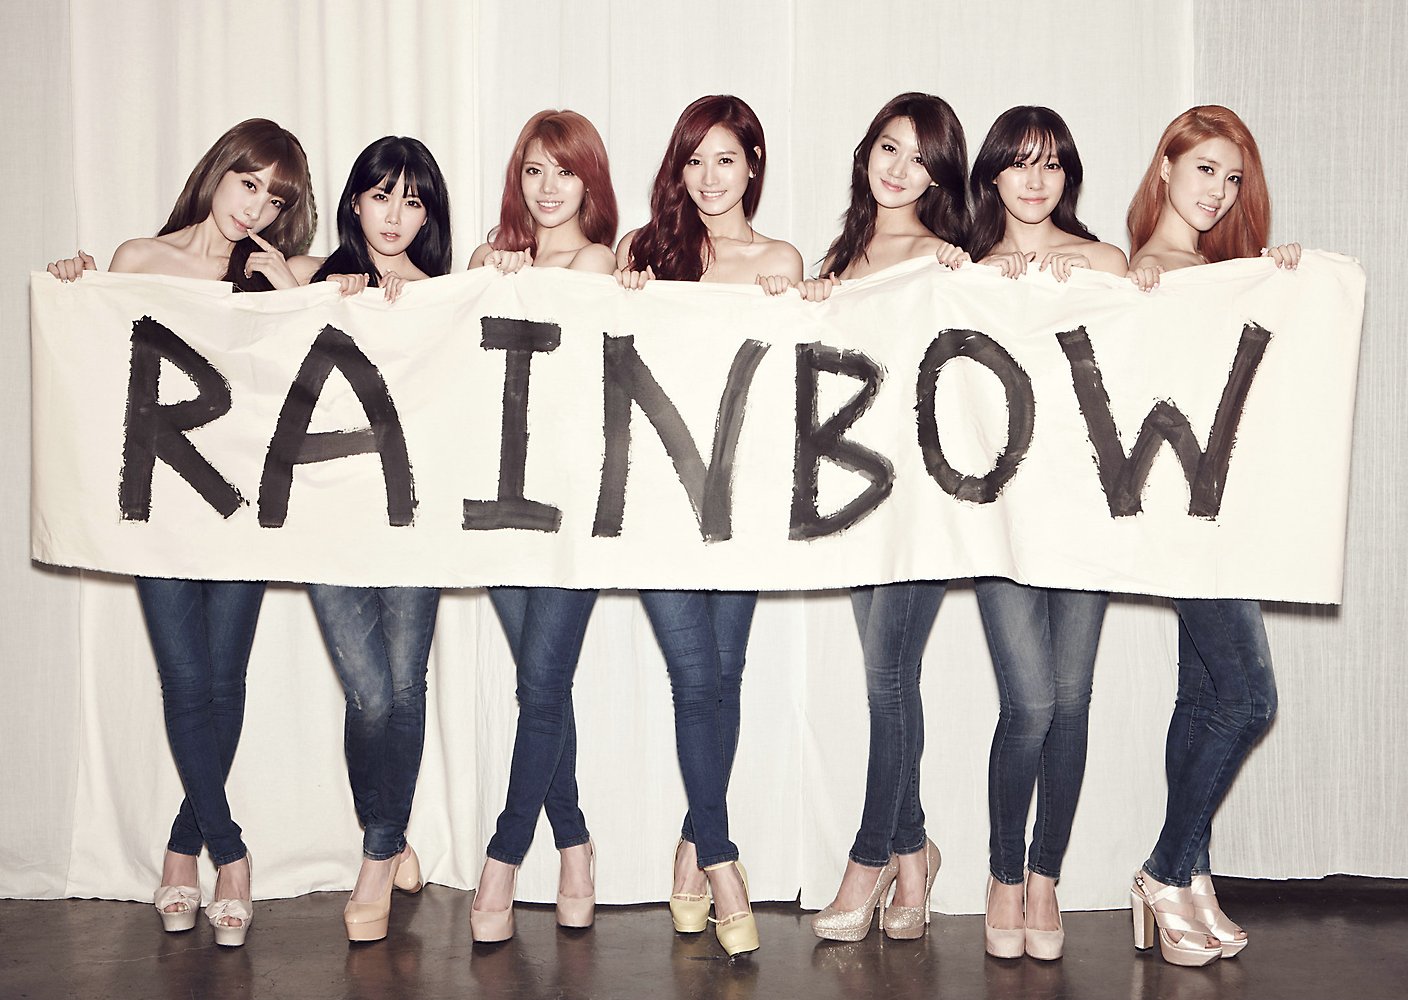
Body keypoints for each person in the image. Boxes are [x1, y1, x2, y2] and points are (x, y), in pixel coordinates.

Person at [47, 119, 316, 947]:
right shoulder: (140, 259)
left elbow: (354, 322)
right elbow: (100, 367)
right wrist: (76, 289)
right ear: (218, 172)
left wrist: (289, 288)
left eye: (276, 199)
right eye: (249, 184)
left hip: (240, 504)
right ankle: (229, 854)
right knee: (185, 680)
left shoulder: (277, 273)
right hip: (157, 501)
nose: (256, 208)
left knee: (224, 682)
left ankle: (180, 851)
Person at [616, 93, 801, 957]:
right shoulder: (643, 253)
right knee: (695, 680)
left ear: (753, 164)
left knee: (725, 679)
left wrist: (798, 303)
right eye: (694, 161)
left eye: (725, 158)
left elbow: (792, 379)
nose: (709, 177)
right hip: (658, 500)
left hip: (741, 503)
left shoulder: (779, 259)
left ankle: (692, 846)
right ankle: (723, 862)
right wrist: (623, 297)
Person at [1124, 104, 1297, 967]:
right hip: (1181, 514)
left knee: (1202, 699)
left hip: (1230, 511)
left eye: (1232, 179)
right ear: (1165, 167)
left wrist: (1281, 281)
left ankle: (1191, 875)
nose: (1219, 191)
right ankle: (1163, 870)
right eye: (1204, 170)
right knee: (1250, 698)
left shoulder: (1225, 271)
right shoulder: (1142, 272)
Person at [796, 92, 969, 944]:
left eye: (921, 158)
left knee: (887, 679)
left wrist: (979, 281)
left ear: (940, 178)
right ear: (867, 151)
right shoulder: (843, 254)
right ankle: (915, 850)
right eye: (890, 148)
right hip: (855, 495)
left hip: (922, 498)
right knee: (889, 675)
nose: (900, 169)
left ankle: (869, 860)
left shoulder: (941, 256)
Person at [963, 106, 1127, 961]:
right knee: (1029, 702)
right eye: (1021, 163)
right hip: (999, 513)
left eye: (1053, 164)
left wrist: (1090, 280)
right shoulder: (964, 269)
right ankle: (1002, 871)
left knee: (1072, 700)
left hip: (1087, 508)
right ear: (993, 173)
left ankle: (1045, 876)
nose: (1036, 179)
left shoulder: (1103, 261)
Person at [284, 135, 453, 941]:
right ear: (355, 200)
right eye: (381, 195)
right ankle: (389, 832)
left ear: (428, 216)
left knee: (404, 688)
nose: (394, 216)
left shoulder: (446, 297)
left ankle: (378, 855)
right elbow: (219, 317)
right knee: (370, 694)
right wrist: (320, 291)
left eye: (412, 201)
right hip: (328, 517)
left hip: (413, 519)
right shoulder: (316, 279)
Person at [465, 110, 617, 944]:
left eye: (564, 171)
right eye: (533, 171)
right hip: (497, 503)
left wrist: (510, 280)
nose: (548, 187)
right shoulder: (488, 260)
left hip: (574, 506)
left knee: (541, 684)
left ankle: (503, 857)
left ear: (589, 181)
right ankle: (576, 844)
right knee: (542, 683)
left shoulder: (598, 261)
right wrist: (489, 273)